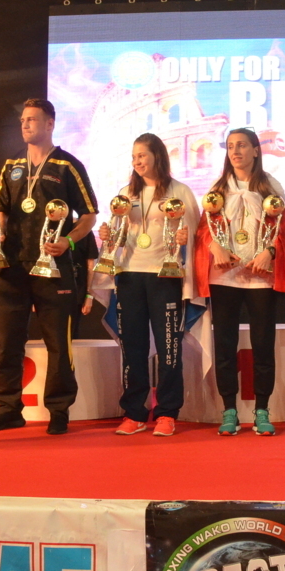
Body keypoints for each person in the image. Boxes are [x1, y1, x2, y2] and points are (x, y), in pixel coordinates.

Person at [0, 98, 98, 436]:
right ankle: (7, 408)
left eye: (32, 119)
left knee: (58, 341)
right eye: (23, 120)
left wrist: (68, 242)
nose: (25, 125)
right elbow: (0, 210)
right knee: (6, 341)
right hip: (13, 265)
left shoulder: (67, 165)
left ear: (50, 124)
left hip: (54, 268)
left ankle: (59, 410)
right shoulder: (11, 166)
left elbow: (89, 215)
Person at [193, 128, 285, 436]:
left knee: (263, 346)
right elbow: (203, 230)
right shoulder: (218, 189)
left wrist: (269, 253)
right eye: (230, 146)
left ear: (255, 150)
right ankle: (229, 410)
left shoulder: (270, 186)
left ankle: (262, 409)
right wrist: (215, 248)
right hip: (224, 278)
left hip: (260, 279)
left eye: (241, 145)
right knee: (225, 346)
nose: (235, 151)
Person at [99, 133, 200, 438]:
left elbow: (196, 234)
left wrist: (185, 238)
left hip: (164, 277)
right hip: (129, 275)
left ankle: (167, 412)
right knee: (133, 347)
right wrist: (107, 234)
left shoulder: (180, 191)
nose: (137, 161)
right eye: (134, 157)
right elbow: (117, 231)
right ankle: (134, 412)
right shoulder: (126, 193)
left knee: (169, 348)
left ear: (158, 155)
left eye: (142, 155)